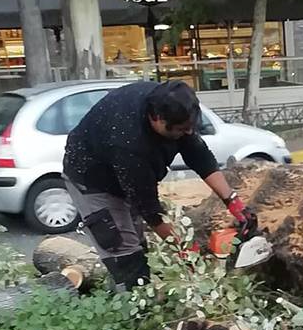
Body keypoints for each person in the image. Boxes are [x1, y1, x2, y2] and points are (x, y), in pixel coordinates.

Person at [63, 80, 257, 290]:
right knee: (125, 256)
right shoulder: (129, 143)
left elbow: (198, 154)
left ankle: (127, 291)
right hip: (92, 180)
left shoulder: (173, 105)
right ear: (156, 118)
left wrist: (232, 201)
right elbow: (150, 211)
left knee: (139, 244)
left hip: (127, 175)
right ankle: (131, 302)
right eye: (181, 129)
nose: (187, 133)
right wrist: (186, 252)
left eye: (189, 128)